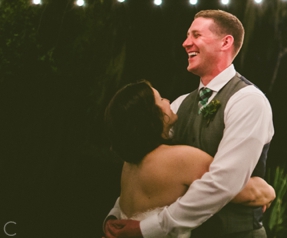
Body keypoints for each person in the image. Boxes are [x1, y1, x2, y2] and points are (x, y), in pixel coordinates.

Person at [105, 10, 274, 238]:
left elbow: (224, 182)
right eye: (187, 36)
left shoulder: (247, 100)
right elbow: (141, 159)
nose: (186, 43)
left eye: (196, 35)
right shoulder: (178, 105)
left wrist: (148, 228)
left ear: (225, 42)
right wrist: (119, 215)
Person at [103, 81, 275, 238]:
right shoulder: (180, 158)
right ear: (151, 115)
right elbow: (242, 190)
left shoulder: (130, 164)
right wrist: (268, 191)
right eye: (160, 99)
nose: (168, 101)